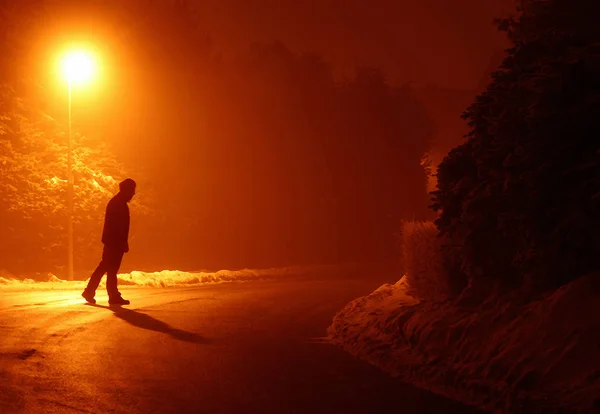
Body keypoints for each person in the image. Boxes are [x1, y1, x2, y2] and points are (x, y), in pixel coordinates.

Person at [82, 178, 136, 305]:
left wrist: (123, 242)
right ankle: (99, 293)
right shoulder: (118, 204)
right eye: (132, 190)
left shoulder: (118, 203)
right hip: (113, 243)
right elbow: (116, 227)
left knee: (108, 269)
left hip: (114, 242)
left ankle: (107, 294)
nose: (133, 193)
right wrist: (120, 242)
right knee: (107, 268)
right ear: (126, 190)